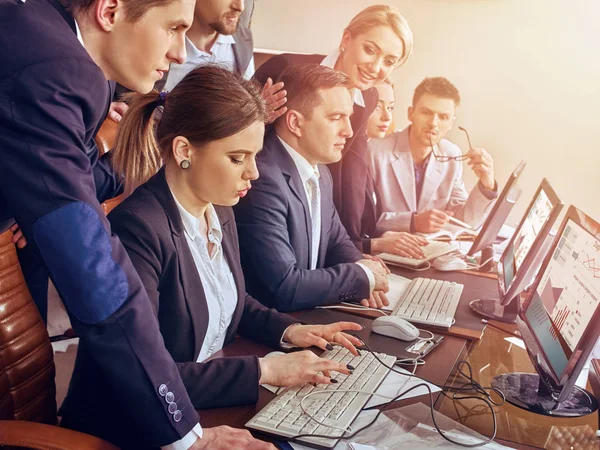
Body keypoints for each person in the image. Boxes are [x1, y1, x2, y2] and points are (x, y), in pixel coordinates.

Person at [0, 0, 271, 449]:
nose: (180, 53)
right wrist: (187, 436)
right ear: (110, 11)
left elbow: (69, 175)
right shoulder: (61, 69)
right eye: (172, 28)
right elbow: (95, 276)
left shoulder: (61, 50)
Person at [108, 65, 363, 414]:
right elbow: (146, 376)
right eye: (236, 158)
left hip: (209, 395)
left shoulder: (220, 209)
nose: (253, 172)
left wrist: (292, 332)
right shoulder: (137, 230)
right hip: (151, 418)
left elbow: (232, 301)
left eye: (255, 155)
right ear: (185, 151)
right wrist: (265, 369)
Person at [254, 5, 413, 254]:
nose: (376, 67)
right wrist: (258, 115)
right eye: (370, 50)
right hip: (263, 203)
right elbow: (231, 130)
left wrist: (356, 246)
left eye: (389, 62)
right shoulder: (285, 68)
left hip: (312, 206)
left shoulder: (367, 97)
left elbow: (351, 172)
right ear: (346, 40)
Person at [234, 64, 389, 312]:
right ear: (295, 122)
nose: (348, 131)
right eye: (336, 117)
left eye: (348, 117)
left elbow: (337, 241)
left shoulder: (321, 172)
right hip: (267, 330)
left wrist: (362, 266)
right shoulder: (262, 178)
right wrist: (361, 276)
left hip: (307, 316)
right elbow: (285, 286)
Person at [370, 77, 498, 234]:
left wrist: (487, 184)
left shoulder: (452, 154)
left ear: (451, 123)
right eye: (426, 113)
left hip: (428, 250)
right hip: (386, 249)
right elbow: (362, 221)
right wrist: (412, 222)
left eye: (443, 117)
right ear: (411, 114)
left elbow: (465, 221)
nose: (433, 123)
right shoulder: (375, 151)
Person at [156, 0, 286, 124]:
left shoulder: (242, 41)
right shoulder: (157, 47)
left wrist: (256, 114)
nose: (240, 7)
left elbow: (242, 111)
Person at [366, 80, 428, 258]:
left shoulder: (451, 153)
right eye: (377, 106)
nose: (387, 117)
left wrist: (383, 235)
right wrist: (378, 240)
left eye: (391, 108)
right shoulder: (371, 152)